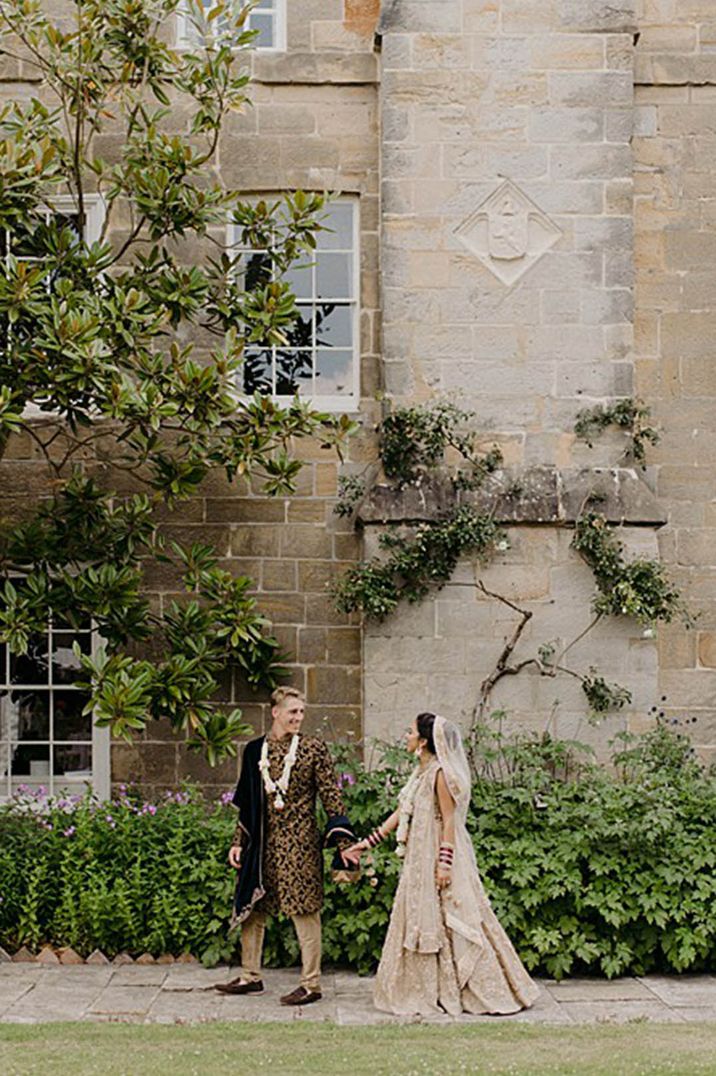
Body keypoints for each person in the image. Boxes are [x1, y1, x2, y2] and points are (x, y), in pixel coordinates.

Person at [344, 712, 540, 1016]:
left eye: (410, 733)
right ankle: (424, 987)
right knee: (423, 915)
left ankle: (473, 987)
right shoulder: (420, 774)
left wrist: (445, 864)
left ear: (423, 742)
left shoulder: (439, 774)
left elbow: (449, 819)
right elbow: (400, 813)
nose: (405, 737)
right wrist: (366, 843)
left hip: (436, 854)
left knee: (454, 915)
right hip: (418, 857)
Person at [216, 686, 355, 1006]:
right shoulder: (254, 752)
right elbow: (248, 803)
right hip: (262, 844)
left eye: (302, 712)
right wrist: (238, 842)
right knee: (253, 907)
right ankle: (250, 976)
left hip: (301, 844)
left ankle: (311, 984)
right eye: (293, 712)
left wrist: (343, 843)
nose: (299, 717)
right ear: (275, 712)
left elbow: (332, 796)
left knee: (305, 910)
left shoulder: (312, 749)